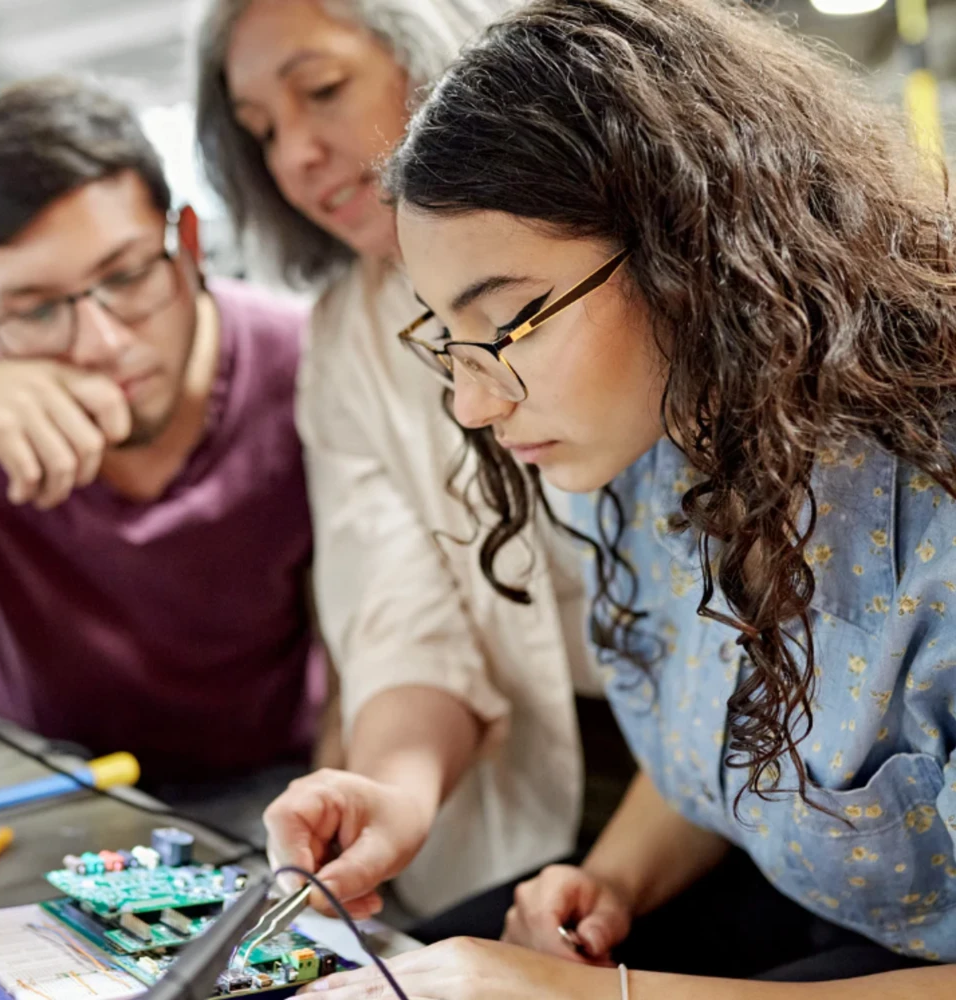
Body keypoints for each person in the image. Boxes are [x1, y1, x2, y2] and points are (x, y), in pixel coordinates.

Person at [295, 0, 956, 994]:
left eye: (511, 320)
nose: (472, 402)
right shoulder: (663, 443)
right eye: (444, 338)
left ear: (696, 245)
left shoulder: (932, 489)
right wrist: (612, 876)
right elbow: (746, 733)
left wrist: (594, 993)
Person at [196, 0, 628, 919]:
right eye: (262, 129)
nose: (297, 155)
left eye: (322, 90)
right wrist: (393, 790)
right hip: (538, 778)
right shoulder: (349, 336)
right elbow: (398, 604)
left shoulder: (625, 257)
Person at [0, 77, 323, 826]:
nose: (101, 345)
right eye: (34, 309)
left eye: (126, 276)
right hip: (35, 777)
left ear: (187, 243)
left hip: (270, 787)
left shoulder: (306, 363)